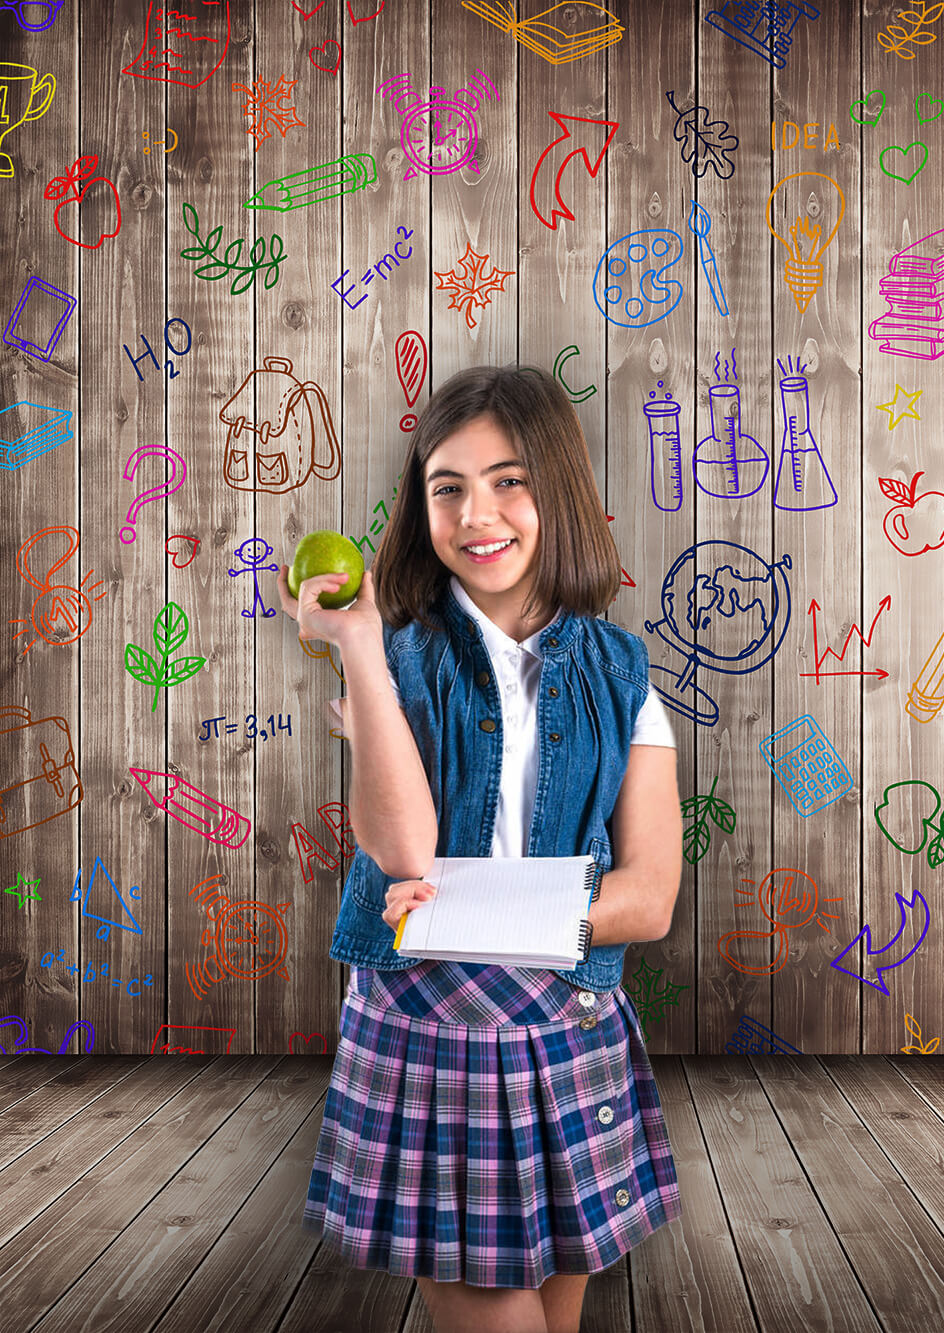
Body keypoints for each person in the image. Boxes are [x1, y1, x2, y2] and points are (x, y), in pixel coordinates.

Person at [277, 365, 683, 1333]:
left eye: (508, 480)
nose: (477, 514)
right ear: (421, 509)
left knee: (558, 1314)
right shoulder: (397, 663)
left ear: (558, 487)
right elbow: (403, 845)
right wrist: (359, 648)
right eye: (446, 486)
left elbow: (653, 897)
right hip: (432, 1029)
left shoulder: (621, 669)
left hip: (571, 1028)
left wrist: (466, 910)